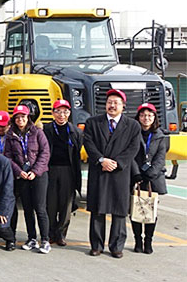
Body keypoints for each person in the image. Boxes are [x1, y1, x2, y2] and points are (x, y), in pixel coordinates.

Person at [84, 89, 141, 258]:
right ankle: (96, 245)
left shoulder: (132, 126)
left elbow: (133, 148)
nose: (112, 105)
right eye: (109, 102)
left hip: (120, 173)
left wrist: (117, 163)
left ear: (123, 106)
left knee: (119, 211)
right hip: (99, 170)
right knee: (97, 209)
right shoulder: (93, 122)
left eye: (116, 103)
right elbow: (88, 142)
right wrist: (102, 160)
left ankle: (116, 246)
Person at [4, 104, 51, 254]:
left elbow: (45, 153)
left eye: (23, 117)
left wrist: (35, 171)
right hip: (22, 176)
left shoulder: (37, 132)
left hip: (39, 175)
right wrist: (19, 171)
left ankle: (45, 239)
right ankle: (32, 238)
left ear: (28, 117)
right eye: (17, 117)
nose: (20, 120)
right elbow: (8, 157)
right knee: (27, 209)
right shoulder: (10, 136)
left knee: (40, 208)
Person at [43, 99, 83, 247]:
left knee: (66, 205)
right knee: (50, 203)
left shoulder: (76, 131)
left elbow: (77, 150)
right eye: (58, 111)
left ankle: (61, 234)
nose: (61, 115)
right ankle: (50, 232)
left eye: (65, 111)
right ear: (53, 113)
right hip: (50, 170)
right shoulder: (46, 129)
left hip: (68, 170)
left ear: (69, 113)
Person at [131, 103, 167, 254]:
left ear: (154, 118)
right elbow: (130, 154)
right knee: (136, 210)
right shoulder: (132, 133)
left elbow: (160, 157)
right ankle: (138, 241)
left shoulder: (160, 136)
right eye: (143, 115)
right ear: (138, 117)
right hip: (136, 177)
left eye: (149, 115)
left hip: (153, 178)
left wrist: (150, 173)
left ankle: (148, 241)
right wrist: (136, 173)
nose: (146, 118)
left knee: (151, 211)